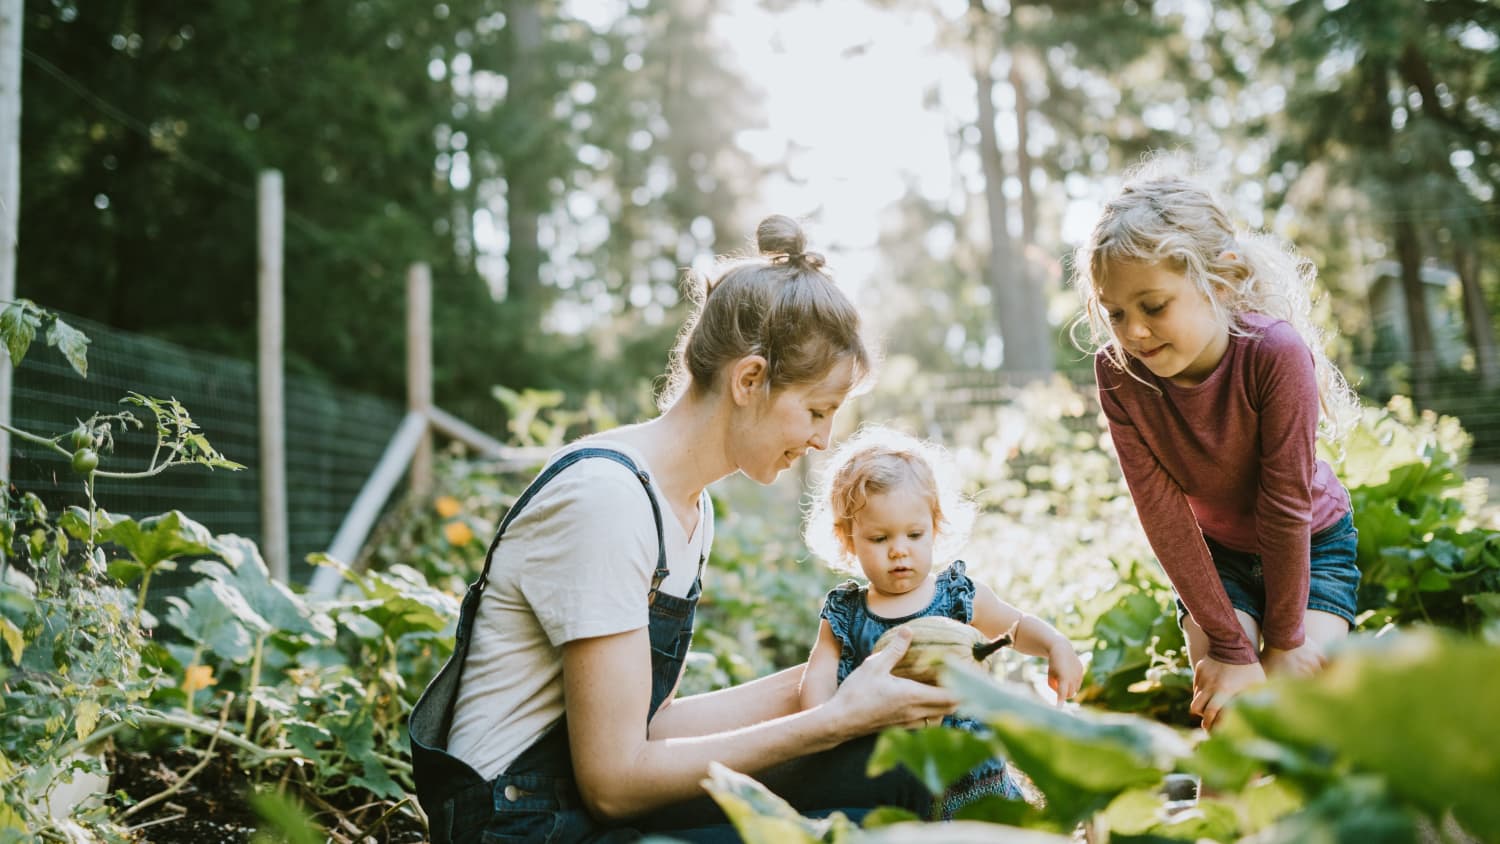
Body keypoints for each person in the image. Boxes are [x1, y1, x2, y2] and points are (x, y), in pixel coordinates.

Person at [408, 215, 959, 844]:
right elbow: (614, 784)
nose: (822, 440)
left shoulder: (686, 505)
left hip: (581, 803)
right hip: (523, 827)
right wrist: (832, 721)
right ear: (749, 380)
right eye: (815, 410)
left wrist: (858, 668)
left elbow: (652, 728)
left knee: (898, 775)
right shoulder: (608, 501)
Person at [1072, 158, 1363, 732]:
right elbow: (1163, 516)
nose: (1133, 331)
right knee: (1232, 718)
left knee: (1294, 713)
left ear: (1221, 281)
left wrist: (1281, 644)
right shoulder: (1120, 374)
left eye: (1153, 306)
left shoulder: (1273, 354)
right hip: (1216, 561)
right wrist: (1232, 649)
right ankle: (1217, 825)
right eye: (1115, 314)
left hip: (1312, 545)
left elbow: (1284, 507)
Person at [799, 425, 1084, 819]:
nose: (899, 550)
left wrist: (1055, 645)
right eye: (879, 539)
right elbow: (817, 680)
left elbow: (1015, 626)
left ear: (935, 527)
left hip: (973, 775)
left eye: (914, 534)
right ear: (848, 539)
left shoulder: (956, 597)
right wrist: (824, 726)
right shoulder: (846, 615)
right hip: (894, 777)